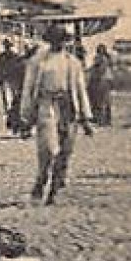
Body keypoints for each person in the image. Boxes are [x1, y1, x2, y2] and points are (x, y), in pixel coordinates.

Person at [21, 24, 93, 206]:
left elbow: (80, 90)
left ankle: (55, 188)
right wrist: (26, 117)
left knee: (65, 150)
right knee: (48, 148)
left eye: (62, 40)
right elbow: (28, 89)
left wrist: (85, 118)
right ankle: (41, 179)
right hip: (46, 105)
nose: (59, 43)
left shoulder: (73, 62)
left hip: (68, 107)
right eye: (56, 40)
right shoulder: (38, 61)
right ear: (50, 41)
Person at [0, 37, 26, 129]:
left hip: (14, 81)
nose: (8, 48)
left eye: (9, 46)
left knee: (14, 100)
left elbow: (20, 70)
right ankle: (10, 117)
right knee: (7, 101)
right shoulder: (1, 57)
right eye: (6, 46)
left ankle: (13, 119)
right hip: (5, 81)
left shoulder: (16, 57)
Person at [88, 43, 115, 127]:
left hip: (101, 82)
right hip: (105, 81)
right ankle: (105, 120)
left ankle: (101, 120)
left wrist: (93, 77)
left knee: (99, 101)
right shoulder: (106, 59)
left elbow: (100, 70)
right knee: (105, 102)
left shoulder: (101, 59)